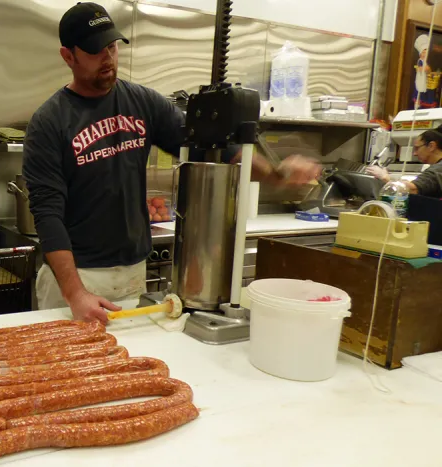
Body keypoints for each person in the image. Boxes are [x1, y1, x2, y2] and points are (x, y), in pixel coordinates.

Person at [22, 2, 321, 324]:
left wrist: (276, 174)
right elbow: (47, 214)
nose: (108, 58)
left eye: (112, 47)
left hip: (133, 271)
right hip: (78, 276)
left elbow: (212, 145)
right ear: (69, 56)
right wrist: (75, 294)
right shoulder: (49, 122)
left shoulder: (143, 103)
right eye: (96, 51)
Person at [366, 126, 442, 198]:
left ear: (431, 146)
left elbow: (411, 189)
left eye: (417, 148)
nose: (415, 154)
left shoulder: (437, 170)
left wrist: (384, 177)